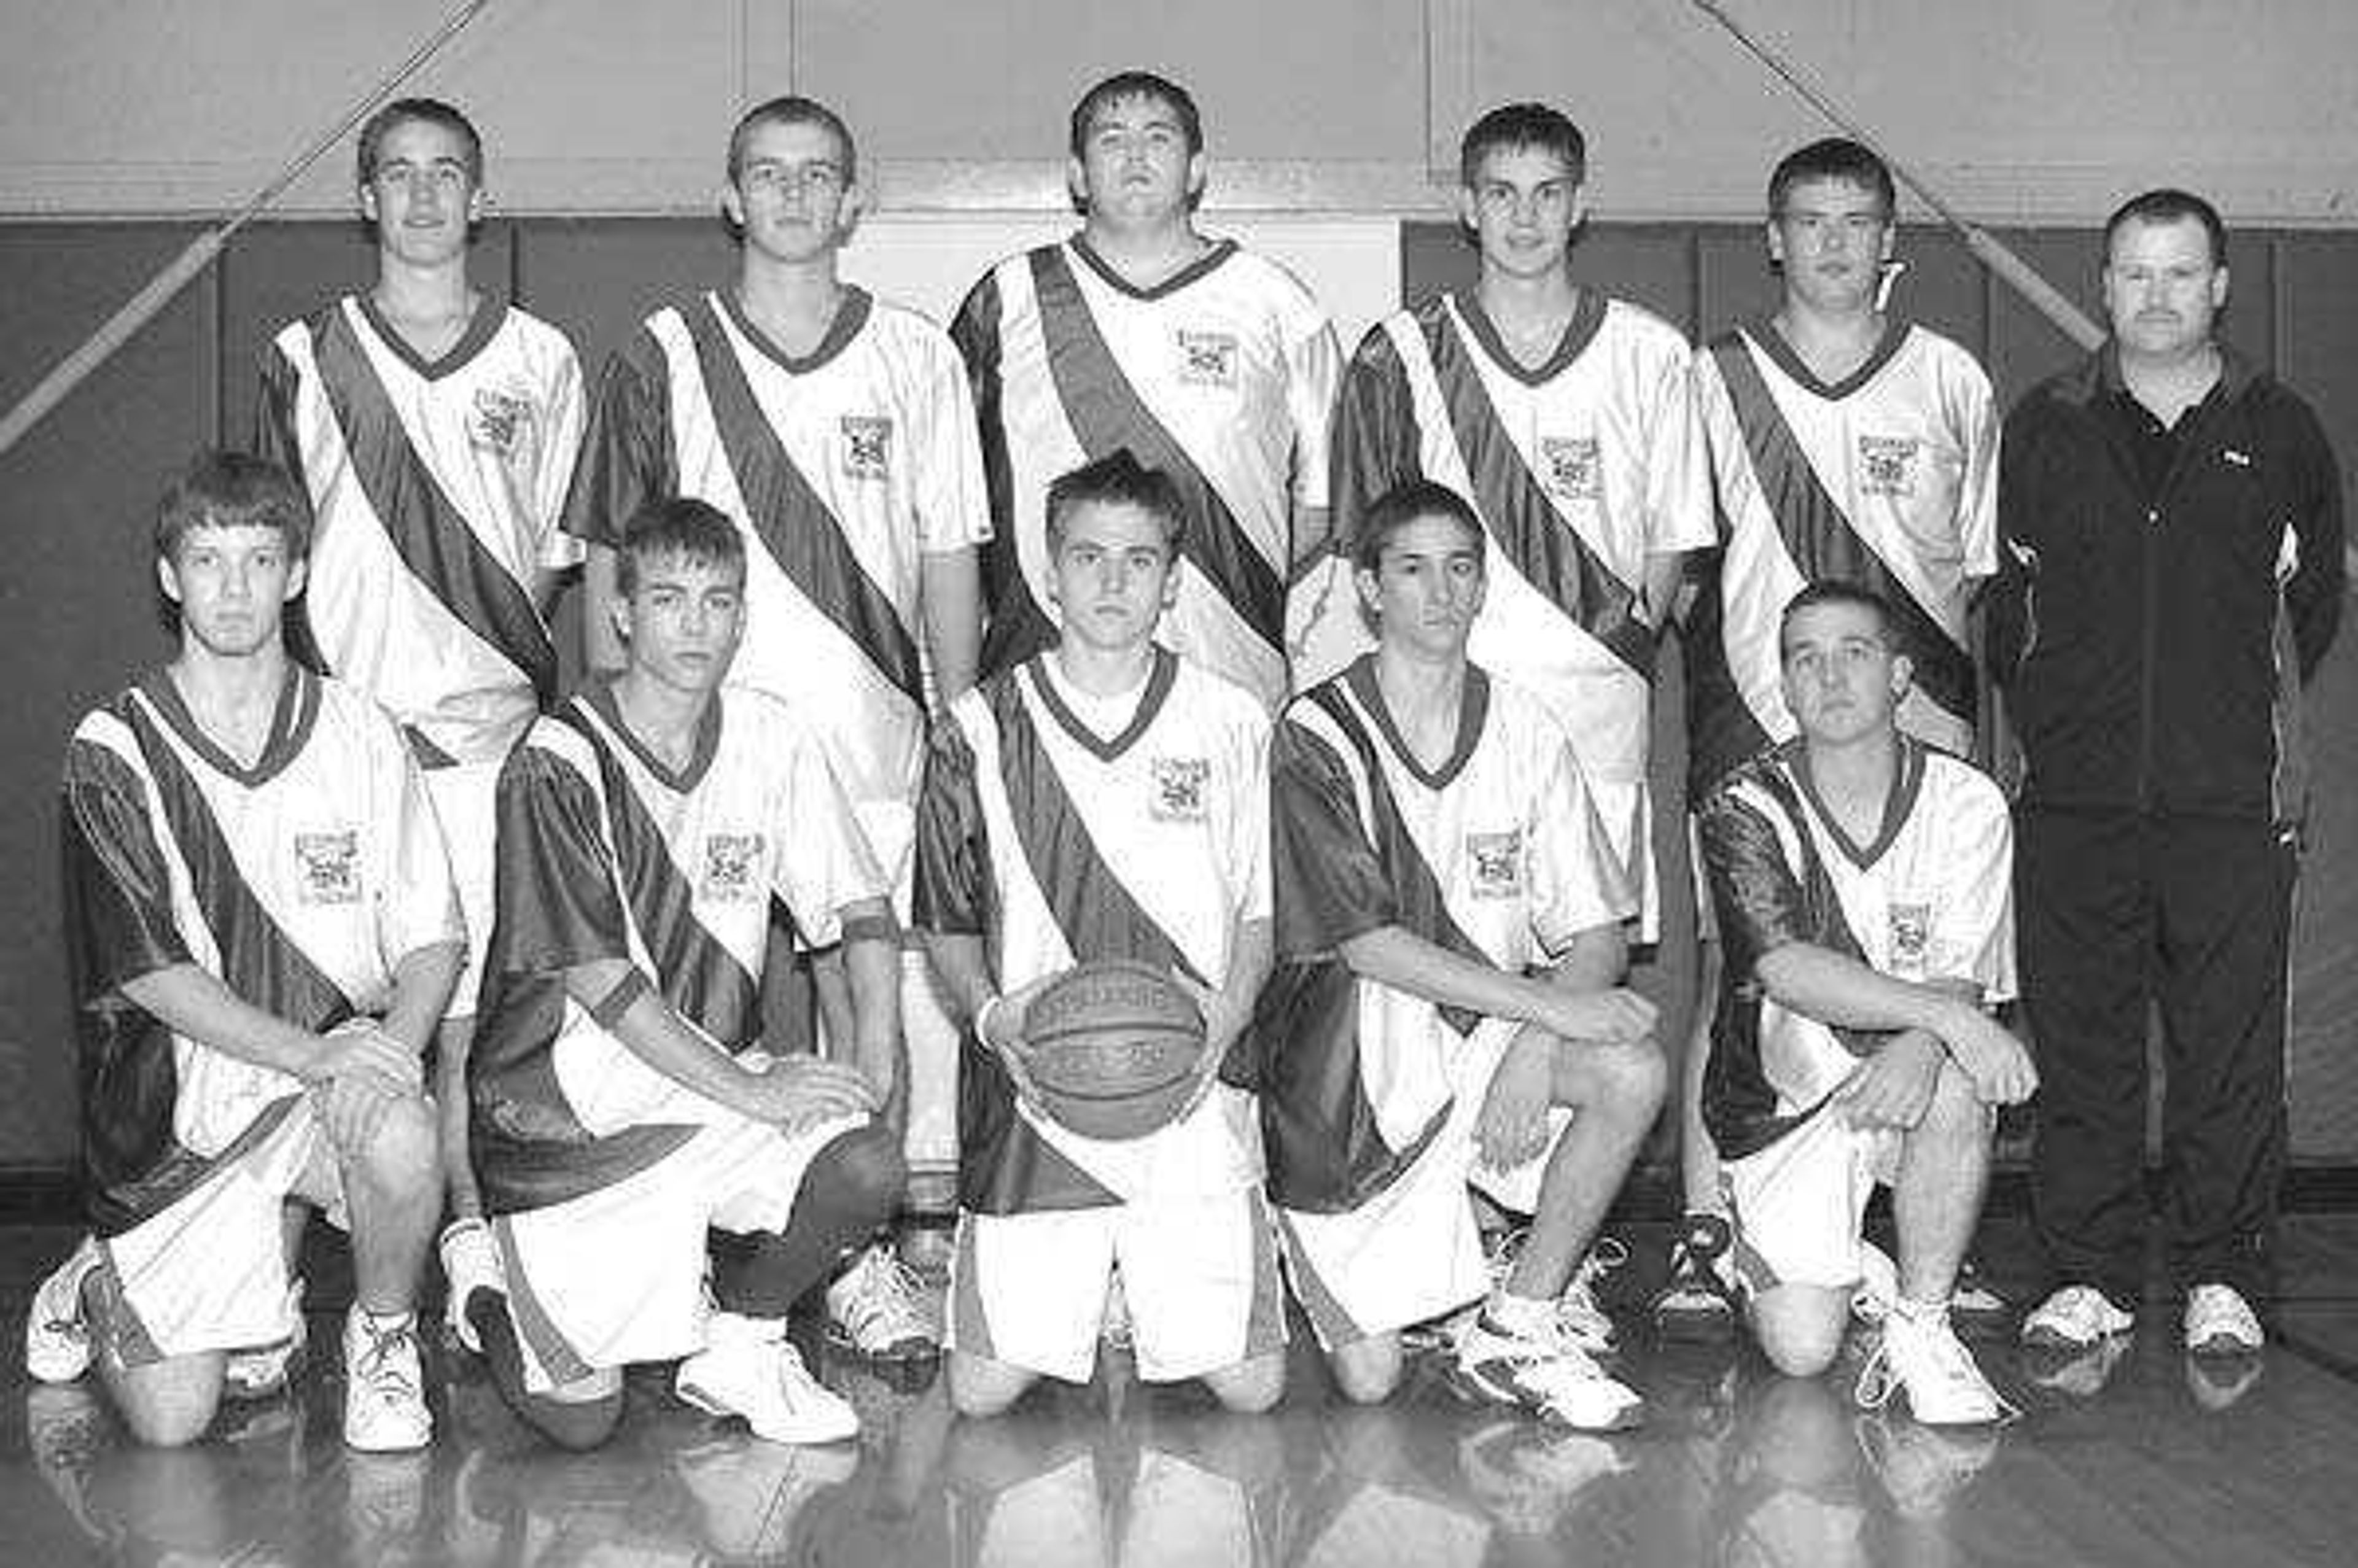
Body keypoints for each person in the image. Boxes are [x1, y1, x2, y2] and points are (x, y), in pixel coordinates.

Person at [564, 94, 989, 1359]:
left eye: (820, 176)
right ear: (733, 197)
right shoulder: (661, 350)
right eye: (770, 173)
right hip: (703, 756)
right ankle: (730, 1242)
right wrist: (613, 727)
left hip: (873, 741)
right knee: (719, 1004)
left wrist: (960, 724)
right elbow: (607, 555)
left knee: (878, 1000)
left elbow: (947, 556)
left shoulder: (917, 353)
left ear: (851, 201)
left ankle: (857, 1253)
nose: (796, 196)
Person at [29, 451, 463, 1450]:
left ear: (297, 572)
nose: (233, 587)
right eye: (208, 559)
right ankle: (100, 1274)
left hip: (321, 1081)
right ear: (169, 576)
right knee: (177, 1422)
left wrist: (387, 1053)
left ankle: (383, 1336)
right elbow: (148, 971)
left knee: (401, 1129)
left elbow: (434, 935)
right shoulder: (116, 747)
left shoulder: (359, 728)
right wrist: (321, 1054)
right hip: (178, 1103)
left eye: (259, 559)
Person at [250, 96, 586, 1370]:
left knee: (467, 1032)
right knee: (315, 1015)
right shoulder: (302, 353)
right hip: (347, 752)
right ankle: (264, 1284)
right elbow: (275, 555)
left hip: (491, 750)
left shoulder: (542, 359)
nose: (427, 196)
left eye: (450, 174)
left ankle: (473, 1257)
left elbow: (564, 564)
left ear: (480, 197)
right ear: (366, 199)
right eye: (401, 175)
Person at [460, 497, 908, 1450]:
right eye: (668, 599)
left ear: (743, 616)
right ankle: (484, 1283)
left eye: (717, 600)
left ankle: (742, 1343)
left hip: (707, 1092)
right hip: (571, 1119)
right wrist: (752, 1087)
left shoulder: (770, 735)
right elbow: (606, 990)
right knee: (582, 1423)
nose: (695, 623)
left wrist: (875, 1061)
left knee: (865, 1156)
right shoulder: (556, 761)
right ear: (620, 613)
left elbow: (863, 911)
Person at [1989, 188, 2344, 1359]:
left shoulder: (2281, 428)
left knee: (2227, 1050)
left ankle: (2220, 1269)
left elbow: (2312, 611)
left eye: (2180, 273)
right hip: (2076, 804)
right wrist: (2065, 724)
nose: (2156, 295)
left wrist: (2226, 727)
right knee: (2082, 1044)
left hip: (2231, 806)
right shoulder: (2044, 425)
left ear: (2221, 287)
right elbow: (2010, 610)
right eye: (2135, 273)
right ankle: (2085, 1269)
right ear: (2102, 286)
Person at [1665, 138, 2002, 1338]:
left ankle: (1922, 1250)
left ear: (1890, 239)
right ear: (1773, 236)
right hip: (1758, 722)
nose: (1833, 242)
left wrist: (1945, 722)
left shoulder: (1952, 381)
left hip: (1921, 729)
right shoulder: (1711, 379)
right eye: (1809, 220)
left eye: (1856, 220)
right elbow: (1682, 576)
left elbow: (1973, 577)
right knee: (1736, 976)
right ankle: (1711, 1240)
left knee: (1933, 978)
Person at [1259, 477, 1664, 1430]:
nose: (1440, 593)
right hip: (1345, 1079)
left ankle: (1516, 1318)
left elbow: (1598, 932)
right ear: (1368, 589)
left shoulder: (1525, 723)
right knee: (1369, 1381)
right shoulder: (1316, 733)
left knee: (1629, 1070)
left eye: (1460, 569)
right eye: (1412, 570)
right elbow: (1367, 945)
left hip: (1485, 1040)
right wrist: (1548, 1010)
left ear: (1483, 586)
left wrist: (1532, 1042)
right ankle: (1309, 1230)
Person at [914, 451, 1283, 1416]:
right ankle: (1103, 1279)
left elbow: (1260, 908)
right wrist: (995, 1021)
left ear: (1172, 580)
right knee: (985, 1393)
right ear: (1048, 571)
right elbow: (946, 925)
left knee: (1251, 1390)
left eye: (1139, 559)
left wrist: (1229, 1015)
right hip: (1045, 1088)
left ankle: (1135, 1276)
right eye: (1088, 557)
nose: (1113, 581)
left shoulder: (1233, 718)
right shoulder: (974, 728)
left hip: (1188, 1081)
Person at [1325, 101, 1713, 933]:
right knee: (1452, 951)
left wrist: (1625, 637)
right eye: (1502, 193)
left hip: (1596, 703)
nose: (1525, 217)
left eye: (1547, 193)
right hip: (1447, 699)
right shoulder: (1398, 352)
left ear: (1580, 205)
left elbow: (1672, 536)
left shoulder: (1652, 354)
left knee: (1586, 953)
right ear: (1468, 206)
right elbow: (1374, 542)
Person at [1697, 583, 2034, 1425]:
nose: (1831, 675)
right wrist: (1949, 1021)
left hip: (1906, 1078)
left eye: (1855, 652)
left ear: (1901, 675)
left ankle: (1922, 1322)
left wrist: (1929, 1040)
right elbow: (1786, 967)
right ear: (1783, 682)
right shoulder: (1743, 804)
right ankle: (1787, 1251)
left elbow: (1964, 969)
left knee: (1956, 1084)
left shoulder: (1969, 802)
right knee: (1803, 1351)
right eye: (1804, 658)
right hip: (1783, 1106)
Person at [951, 69, 1342, 711]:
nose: (1135, 156)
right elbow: (952, 505)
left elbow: (1322, 504)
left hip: (1227, 675)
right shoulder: (1007, 299)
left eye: (1158, 138)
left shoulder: (1277, 304)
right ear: (1077, 174)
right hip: (1037, 679)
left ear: (1196, 170)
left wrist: (1215, 582)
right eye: (1111, 140)